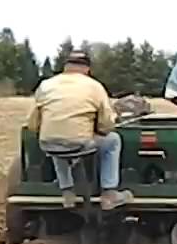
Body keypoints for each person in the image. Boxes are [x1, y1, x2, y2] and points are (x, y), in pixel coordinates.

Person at [26, 49, 134, 210]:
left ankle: (68, 192)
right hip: (79, 144)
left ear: (66, 67)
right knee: (112, 140)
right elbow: (106, 125)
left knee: (56, 139)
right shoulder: (94, 86)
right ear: (87, 69)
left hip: (48, 143)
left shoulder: (45, 85)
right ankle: (109, 192)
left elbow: (33, 124)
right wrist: (97, 129)